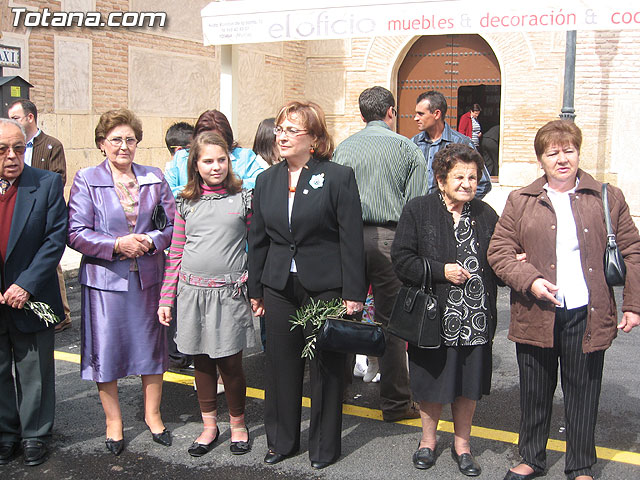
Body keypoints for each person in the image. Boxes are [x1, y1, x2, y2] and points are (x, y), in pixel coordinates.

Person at [487, 120, 640, 480]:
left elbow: (633, 251)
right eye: (552, 152)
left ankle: (581, 465)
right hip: (537, 311)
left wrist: (633, 304)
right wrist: (531, 280)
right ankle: (531, 458)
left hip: (587, 312)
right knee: (535, 393)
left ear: (578, 153)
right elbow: (499, 251)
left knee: (583, 393)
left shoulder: (607, 196)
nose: (561, 158)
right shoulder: (521, 199)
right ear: (540, 159)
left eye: (568, 150)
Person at [248, 101, 366, 470]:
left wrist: (353, 294)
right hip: (279, 284)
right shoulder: (266, 180)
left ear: (313, 139)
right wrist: (256, 289)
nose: (281, 136)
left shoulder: (337, 176)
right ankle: (282, 441)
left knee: (326, 369)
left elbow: (351, 239)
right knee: (280, 365)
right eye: (279, 129)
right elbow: (259, 239)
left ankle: (324, 447)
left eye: (291, 130)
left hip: (325, 285)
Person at [67, 108, 175, 456]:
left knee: (152, 348)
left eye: (130, 139)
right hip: (104, 282)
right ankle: (114, 422)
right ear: (102, 144)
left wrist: (151, 241)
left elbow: (172, 225)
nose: (124, 146)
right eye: (116, 139)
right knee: (107, 351)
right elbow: (76, 232)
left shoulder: (154, 176)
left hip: (148, 277)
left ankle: (153, 415)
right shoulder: (87, 179)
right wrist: (116, 244)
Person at [391, 143, 499, 476]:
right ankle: (428, 441)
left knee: (468, 384)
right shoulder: (418, 210)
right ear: (441, 180)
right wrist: (442, 271)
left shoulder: (485, 214)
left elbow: (498, 260)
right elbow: (402, 260)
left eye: (473, 176)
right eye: (459, 177)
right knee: (431, 382)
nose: (467, 183)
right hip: (433, 319)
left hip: (475, 319)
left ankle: (462, 445)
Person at [333, 86, 428, 422]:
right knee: (392, 324)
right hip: (391, 239)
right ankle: (396, 403)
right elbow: (416, 205)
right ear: (391, 112)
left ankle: (336, 395)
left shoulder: (344, 149)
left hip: (347, 240)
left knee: (345, 315)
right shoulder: (407, 149)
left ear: (362, 115)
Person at [158, 131, 254, 457]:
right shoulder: (185, 202)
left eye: (221, 160)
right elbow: (176, 252)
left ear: (230, 160)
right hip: (192, 295)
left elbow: (258, 247)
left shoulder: (243, 199)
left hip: (229, 295)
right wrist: (165, 298)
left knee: (230, 363)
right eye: (208, 161)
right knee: (201, 362)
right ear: (195, 165)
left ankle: (238, 424)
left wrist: (257, 289)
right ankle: (209, 425)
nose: (216, 167)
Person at [0, 118, 67, 466]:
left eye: (18, 148)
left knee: (35, 368)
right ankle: (5, 434)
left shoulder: (47, 183)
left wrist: (25, 283)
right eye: (2, 150)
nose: (12, 156)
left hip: (33, 295)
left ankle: (35, 434)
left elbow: (54, 239)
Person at [8, 99, 72, 333]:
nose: (12, 155)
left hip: (41, 210)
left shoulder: (50, 145)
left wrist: (37, 194)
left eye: (15, 117)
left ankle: (62, 314)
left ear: (30, 117)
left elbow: (59, 176)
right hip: (17, 209)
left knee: (52, 267)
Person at [165, 110, 265, 196]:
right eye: (206, 140)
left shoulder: (244, 156)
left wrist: (227, 186)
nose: (212, 145)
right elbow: (166, 191)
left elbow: (262, 181)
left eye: (217, 140)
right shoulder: (181, 158)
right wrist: (199, 190)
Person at [412, 91, 492, 199]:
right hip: (419, 212)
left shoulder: (462, 143)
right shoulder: (413, 143)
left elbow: (484, 183)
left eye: (421, 114)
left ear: (436, 114)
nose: (416, 118)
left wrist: (458, 207)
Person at [163, 121, 195, 371]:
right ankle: (180, 352)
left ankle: (180, 353)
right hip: (181, 238)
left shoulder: (172, 167)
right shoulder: (175, 165)